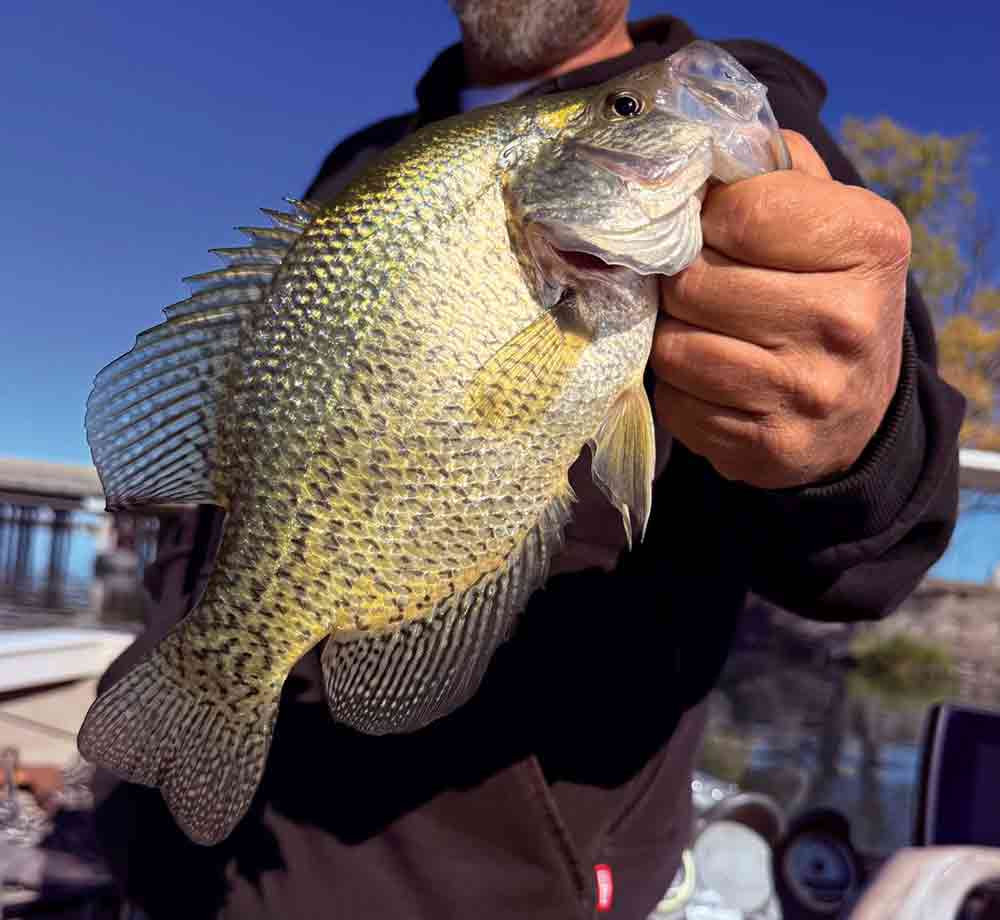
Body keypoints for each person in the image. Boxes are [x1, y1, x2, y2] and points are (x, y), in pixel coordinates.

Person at [91, 3, 964, 918]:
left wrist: (860, 433)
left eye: (622, 114)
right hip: (190, 864)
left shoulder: (747, 131)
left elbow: (887, 530)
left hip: (480, 887)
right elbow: (255, 440)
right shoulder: (373, 155)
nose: (639, 116)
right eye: (624, 113)